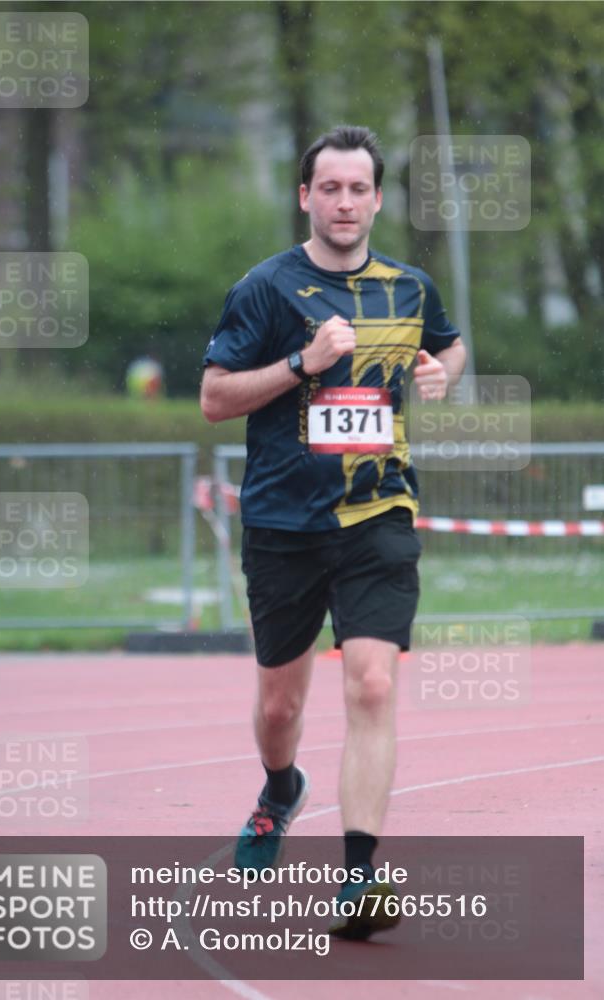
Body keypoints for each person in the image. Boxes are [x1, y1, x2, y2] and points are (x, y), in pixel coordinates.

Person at [200, 125, 467, 939]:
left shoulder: (408, 288)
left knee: (373, 685)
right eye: (330, 188)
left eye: (359, 189)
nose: (344, 202)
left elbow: (450, 350)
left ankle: (358, 879)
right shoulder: (264, 289)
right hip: (283, 522)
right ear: (305, 196)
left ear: (377, 199)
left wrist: (439, 375)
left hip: (378, 513)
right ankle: (280, 790)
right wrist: (302, 365)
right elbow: (214, 398)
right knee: (280, 708)